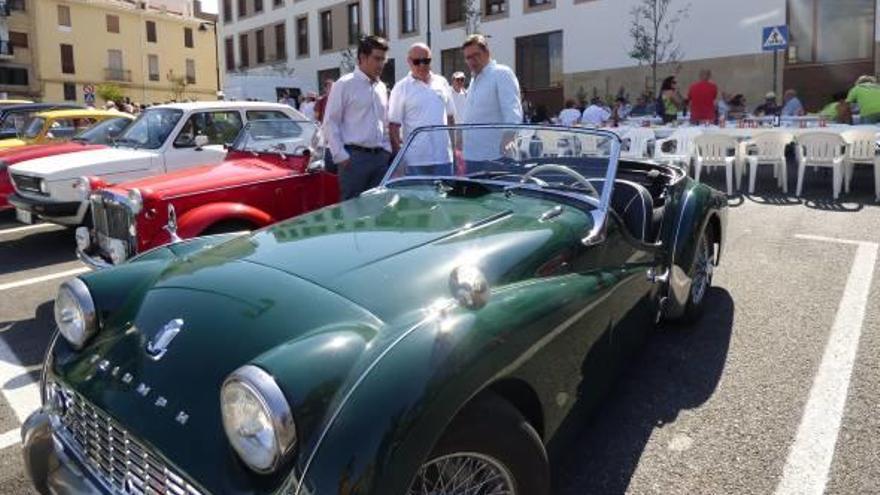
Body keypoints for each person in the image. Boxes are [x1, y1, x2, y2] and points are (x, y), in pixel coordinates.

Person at [323, 35, 392, 200]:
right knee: (352, 212)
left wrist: (386, 149)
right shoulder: (344, 84)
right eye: (377, 59)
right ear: (362, 57)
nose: (381, 64)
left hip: (379, 159)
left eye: (383, 59)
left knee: (377, 210)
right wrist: (341, 156)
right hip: (354, 160)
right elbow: (330, 122)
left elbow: (384, 122)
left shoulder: (381, 87)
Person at [388, 43, 456, 175]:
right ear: (409, 61)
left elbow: (450, 117)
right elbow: (393, 126)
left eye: (426, 61)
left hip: (443, 158)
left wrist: (454, 149)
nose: (422, 65)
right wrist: (400, 159)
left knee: (445, 196)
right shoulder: (401, 87)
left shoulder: (441, 82)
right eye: (417, 61)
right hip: (415, 161)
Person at [461, 34, 523, 162]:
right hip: (472, 156)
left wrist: (508, 138)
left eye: (476, 55)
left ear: (487, 52)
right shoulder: (474, 80)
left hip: (496, 156)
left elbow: (513, 110)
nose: (472, 61)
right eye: (468, 57)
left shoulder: (501, 73)